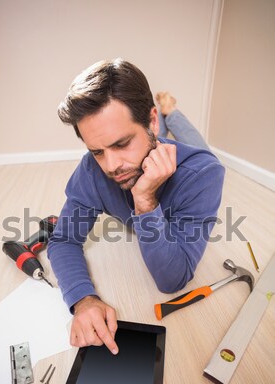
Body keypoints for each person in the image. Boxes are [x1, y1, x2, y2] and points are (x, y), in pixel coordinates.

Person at [48, 58, 225, 355]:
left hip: (183, 151)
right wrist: (83, 299)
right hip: (155, 133)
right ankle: (164, 121)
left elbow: (172, 279)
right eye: (97, 151)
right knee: (158, 141)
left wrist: (144, 202)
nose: (112, 166)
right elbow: (64, 239)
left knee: (196, 144)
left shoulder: (203, 174)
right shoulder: (92, 169)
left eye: (121, 143)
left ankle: (171, 111)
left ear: (150, 119)